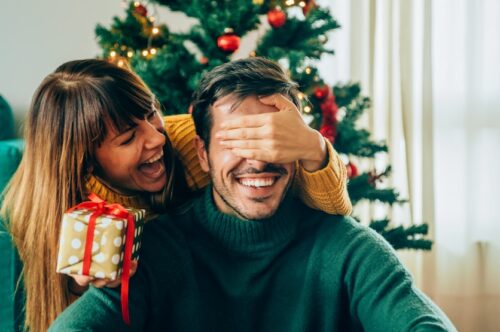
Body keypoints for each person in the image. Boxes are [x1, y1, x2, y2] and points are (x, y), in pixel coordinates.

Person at [49, 57, 456, 331]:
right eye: (235, 141)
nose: (257, 161)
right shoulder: (152, 253)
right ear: (202, 154)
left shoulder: (348, 250)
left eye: (270, 140)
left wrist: (315, 148)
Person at [0, 59, 352, 331]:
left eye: (151, 113)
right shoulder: (63, 218)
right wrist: (84, 290)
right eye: (127, 138)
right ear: (86, 164)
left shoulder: (192, 141)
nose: (155, 139)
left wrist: (313, 146)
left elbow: (333, 212)